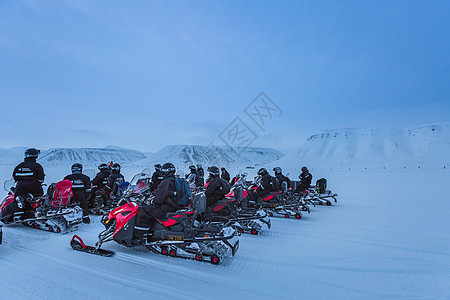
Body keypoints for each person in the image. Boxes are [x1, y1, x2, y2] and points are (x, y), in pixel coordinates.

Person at [133, 163, 185, 243]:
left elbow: (158, 200)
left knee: (144, 212)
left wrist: (152, 201)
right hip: (176, 206)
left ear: (165, 172)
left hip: (166, 208)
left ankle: (140, 237)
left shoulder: (165, 182)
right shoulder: (177, 181)